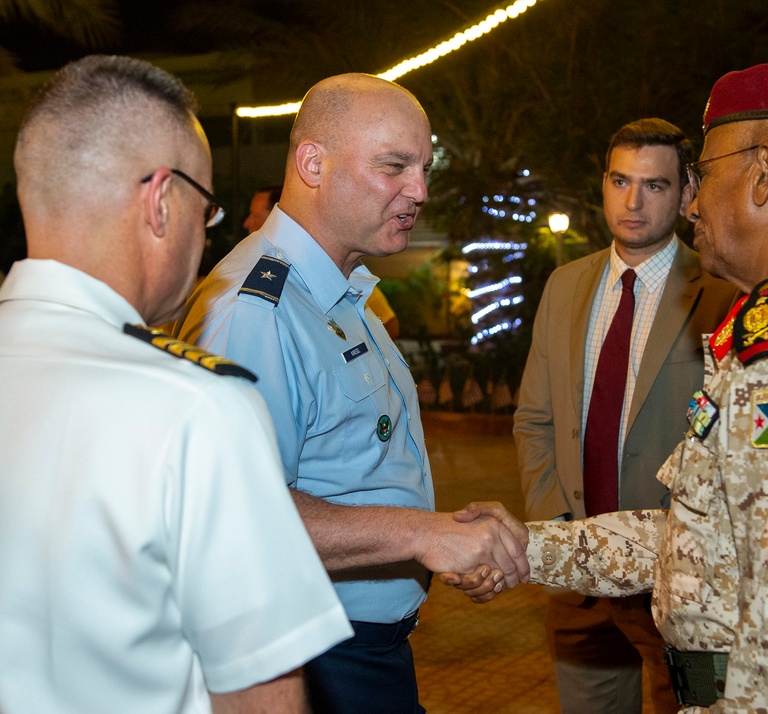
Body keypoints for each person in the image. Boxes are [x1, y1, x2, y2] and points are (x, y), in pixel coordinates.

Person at [453, 63, 768, 711]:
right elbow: (709, 536)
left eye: (705, 175)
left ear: (763, 170)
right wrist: (529, 546)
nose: (690, 201)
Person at [0, 54, 355, 714]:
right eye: (207, 208)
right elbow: (262, 698)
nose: (204, 234)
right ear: (161, 201)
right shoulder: (195, 410)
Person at [175, 72, 527, 714]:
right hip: (313, 662)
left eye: (423, 167)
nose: (418, 191)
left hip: (365, 652)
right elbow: (234, 518)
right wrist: (420, 533)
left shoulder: (341, 289)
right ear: (312, 162)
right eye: (394, 166)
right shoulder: (255, 310)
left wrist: (447, 531)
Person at [514, 118, 738, 714]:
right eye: (620, 180)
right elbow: (534, 418)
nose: (632, 201)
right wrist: (557, 526)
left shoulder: (722, 291)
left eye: (655, 185)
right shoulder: (565, 285)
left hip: (673, 578)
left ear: (688, 194)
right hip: (578, 574)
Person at [244, 183, 400, 338]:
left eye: (254, 214)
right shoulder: (254, 269)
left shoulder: (325, 265)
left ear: (277, 216)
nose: (247, 223)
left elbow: (390, 324)